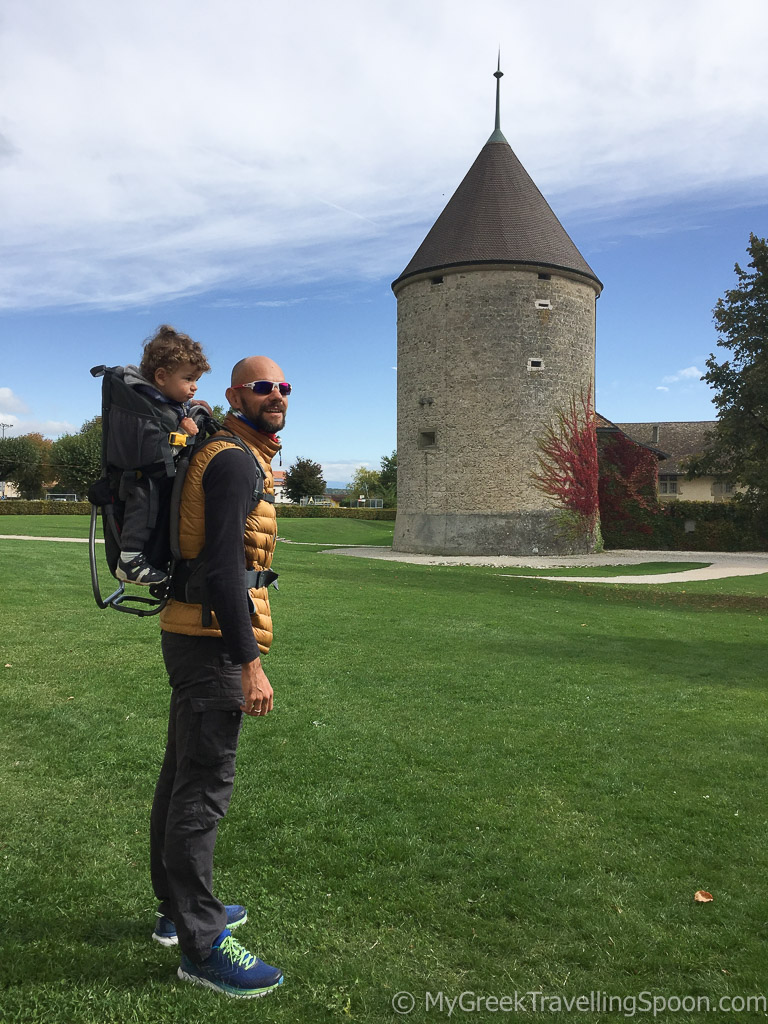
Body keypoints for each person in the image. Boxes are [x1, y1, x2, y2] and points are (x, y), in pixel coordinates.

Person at [149, 355, 290, 999]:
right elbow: (224, 568)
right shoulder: (233, 460)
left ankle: (173, 912)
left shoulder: (227, 452)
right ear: (237, 394)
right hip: (212, 642)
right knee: (203, 789)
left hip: (191, 631)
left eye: (284, 387)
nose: (277, 395)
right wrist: (248, 663)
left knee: (181, 776)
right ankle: (202, 943)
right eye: (264, 387)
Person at [115, 325, 211, 586]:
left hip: (159, 479)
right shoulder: (146, 408)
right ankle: (129, 560)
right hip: (142, 481)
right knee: (144, 498)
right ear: (161, 376)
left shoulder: (160, 403)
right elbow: (155, 455)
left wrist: (190, 409)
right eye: (188, 379)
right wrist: (182, 433)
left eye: (196, 381)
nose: (194, 388)